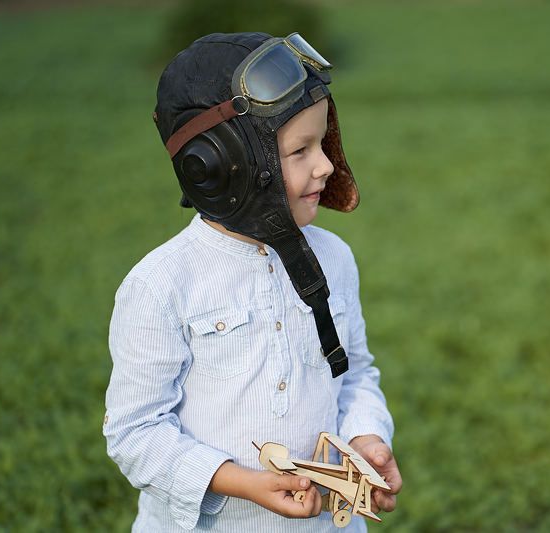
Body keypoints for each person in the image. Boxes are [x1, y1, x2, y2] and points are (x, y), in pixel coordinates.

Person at [103, 32, 401, 532]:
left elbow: (354, 376)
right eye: (300, 150)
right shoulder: (162, 284)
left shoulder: (334, 257)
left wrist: (368, 437)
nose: (325, 165)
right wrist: (239, 480)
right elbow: (135, 433)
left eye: (322, 143)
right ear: (220, 167)